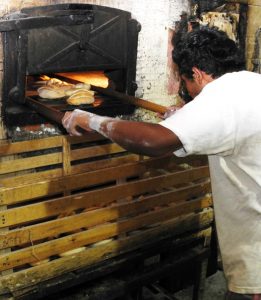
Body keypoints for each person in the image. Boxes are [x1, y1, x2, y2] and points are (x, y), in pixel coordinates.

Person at [62, 27, 261, 300]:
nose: (187, 91)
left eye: (186, 82)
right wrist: (189, 115)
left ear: (198, 74)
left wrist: (92, 120)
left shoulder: (221, 99)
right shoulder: (251, 84)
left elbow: (153, 143)